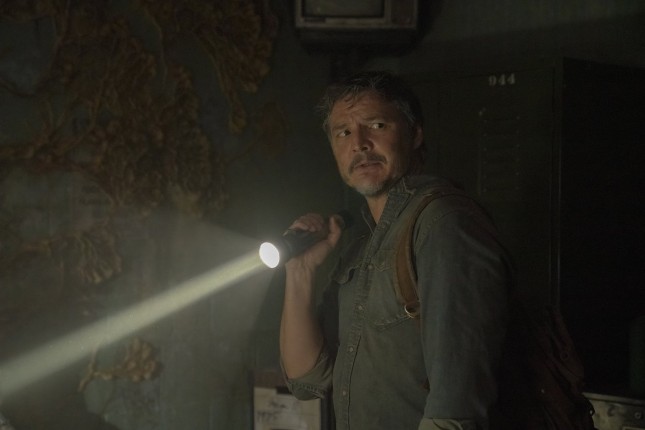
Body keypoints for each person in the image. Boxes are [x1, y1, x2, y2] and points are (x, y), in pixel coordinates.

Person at [279, 70, 513, 430]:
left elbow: (456, 409)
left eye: (376, 125)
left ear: (414, 134)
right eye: (343, 133)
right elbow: (307, 381)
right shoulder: (362, 246)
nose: (359, 144)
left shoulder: (442, 223)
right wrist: (300, 271)